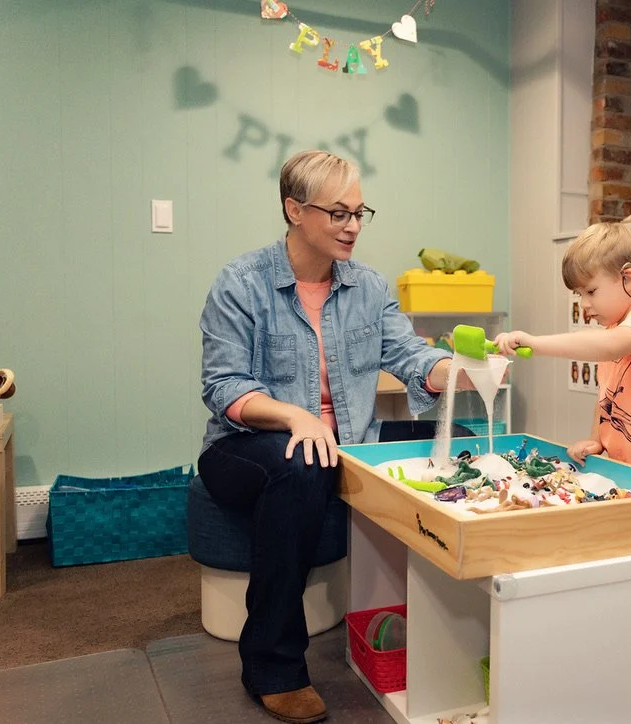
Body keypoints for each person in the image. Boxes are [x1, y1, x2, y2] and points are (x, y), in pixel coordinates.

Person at [197, 149, 465, 723]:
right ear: (294, 210)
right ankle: (272, 666)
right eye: (337, 213)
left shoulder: (369, 286)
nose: (352, 226)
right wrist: (296, 416)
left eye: (359, 212)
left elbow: (411, 355)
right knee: (302, 464)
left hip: (343, 443)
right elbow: (223, 386)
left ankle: (448, 625)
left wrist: (461, 368)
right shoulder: (240, 282)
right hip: (244, 447)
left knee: (460, 439)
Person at [495, 221, 631, 482]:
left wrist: (535, 343)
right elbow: (607, 395)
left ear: (628, 279)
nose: (584, 304)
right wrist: (597, 440)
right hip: (627, 468)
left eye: (591, 291)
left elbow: (609, 346)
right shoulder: (615, 329)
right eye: (579, 294)